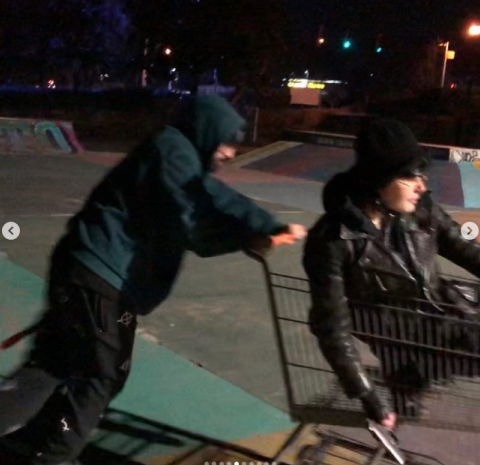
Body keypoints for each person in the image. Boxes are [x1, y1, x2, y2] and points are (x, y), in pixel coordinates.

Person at [0, 95, 306, 465]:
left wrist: (247, 237)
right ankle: (50, 456)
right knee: (101, 376)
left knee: (53, 363)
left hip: (85, 271)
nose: (229, 153)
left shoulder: (174, 164)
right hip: (101, 277)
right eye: (225, 142)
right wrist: (264, 223)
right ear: (206, 132)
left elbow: (195, 234)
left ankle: (33, 442)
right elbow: (203, 200)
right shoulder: (172, 149)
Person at [303, 118, 480, 430]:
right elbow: (332, 326)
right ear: (379, 179)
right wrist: (365, 393)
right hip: (409, 338)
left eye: (421, 174)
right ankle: (410, 373)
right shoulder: (332, 241)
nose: (421, 185)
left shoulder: (421, 210)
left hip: (449, 312)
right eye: (410, 176)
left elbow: (463, 248)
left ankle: (412, 376)